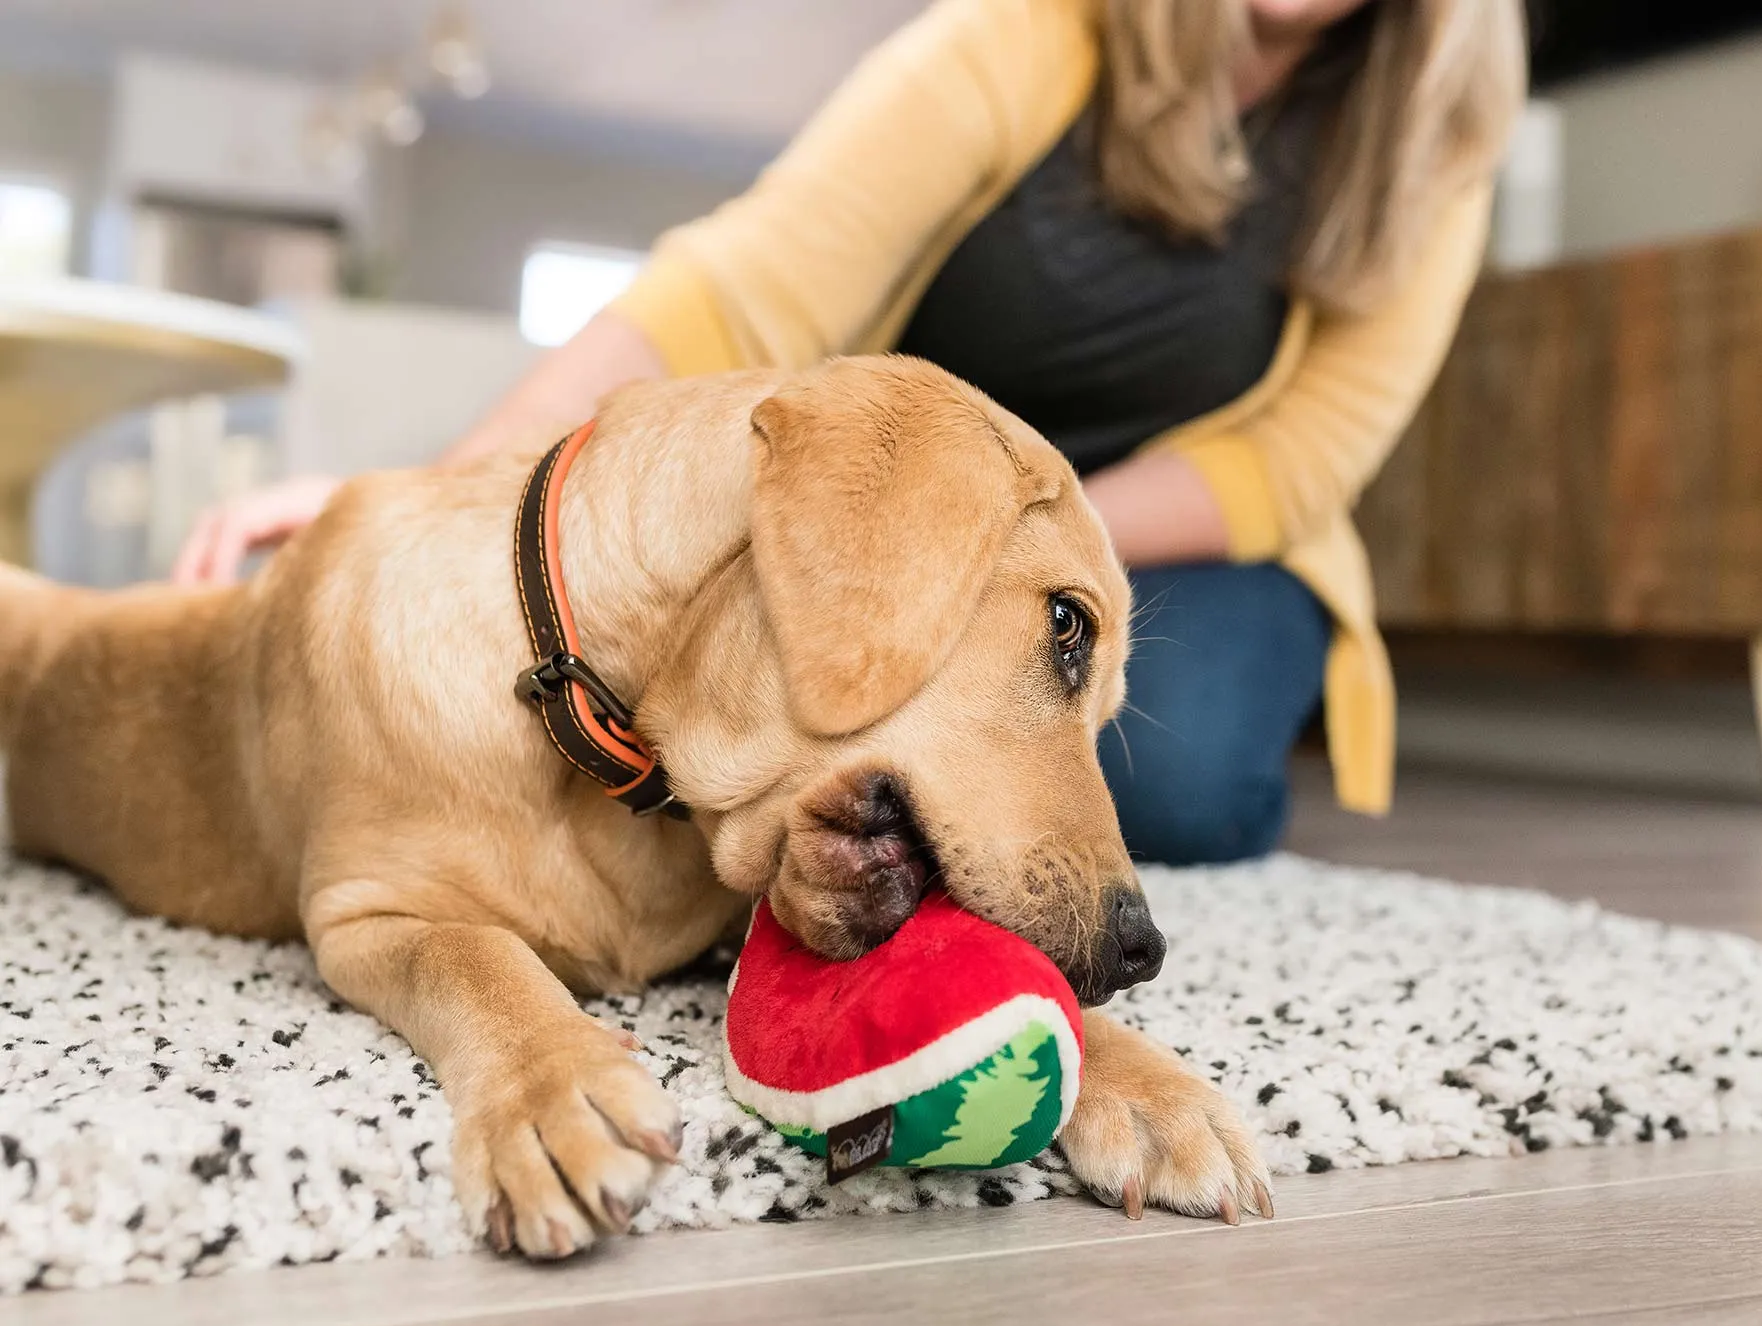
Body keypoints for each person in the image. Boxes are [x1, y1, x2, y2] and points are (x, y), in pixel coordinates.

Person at [176, 0, 1526, 865]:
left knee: (1168, 789)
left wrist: (1019, 549)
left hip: (1188, 544)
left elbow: (1299, 458)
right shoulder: (1030, 34)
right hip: (905, 506)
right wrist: (436, 495)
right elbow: (743, 284)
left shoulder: (1439, 139)